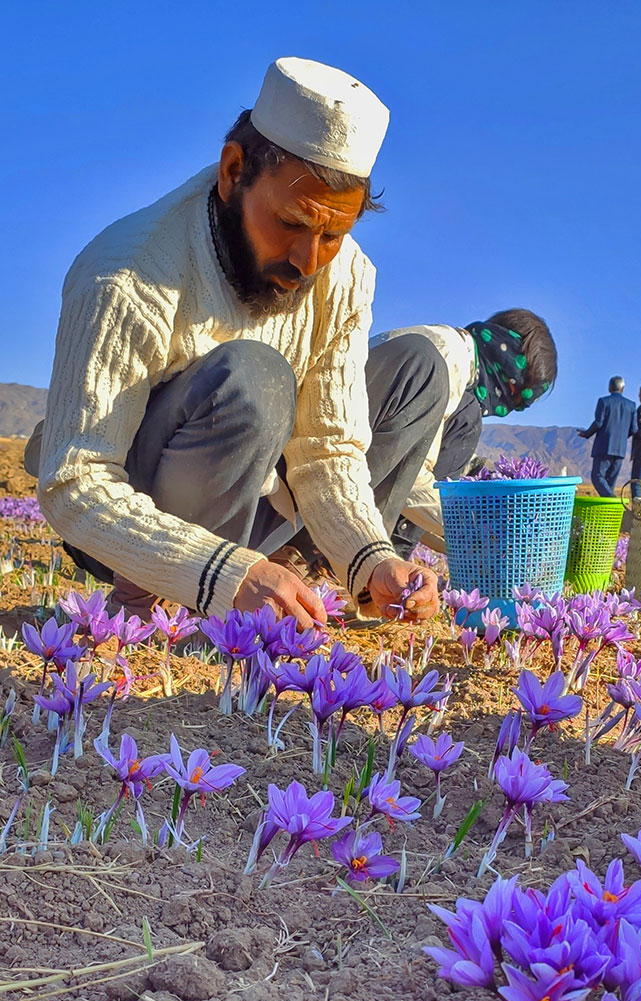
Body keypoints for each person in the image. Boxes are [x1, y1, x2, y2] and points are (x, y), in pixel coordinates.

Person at [29, 57, 446, 629]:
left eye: (332, 235)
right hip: (126, 526)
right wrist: (219, 573)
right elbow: (77, 481)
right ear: (233, 172)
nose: (308, 260)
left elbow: (326, 450)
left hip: (247, 506)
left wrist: (369, 557)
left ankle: (276, 570)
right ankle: (153, 598)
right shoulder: (128, 274)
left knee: (418, 364)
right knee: (256, 378)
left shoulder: (343, 275)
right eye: (292, 222)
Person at [371, 310, 557, 554]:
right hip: (337, 488)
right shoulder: (447, 359)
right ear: (506, 354)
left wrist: (483, 476)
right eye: (515, 390)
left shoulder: (449, 346)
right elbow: (410, 479)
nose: (508, 408)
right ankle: (386, 555)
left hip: (357, 469)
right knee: (467, 417)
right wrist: (478, 530)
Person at [578, 377, 637, 496]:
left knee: (597, 477)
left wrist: (586, 433)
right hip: (620, 450)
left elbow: (599, 423)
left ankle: (613, 500)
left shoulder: (604, 401)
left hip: (604, 447)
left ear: (610, 387)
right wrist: (621, 438)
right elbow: (634, 429)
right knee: (610, 483)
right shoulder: (631, 405)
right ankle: (608, 511)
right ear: (623, 388)